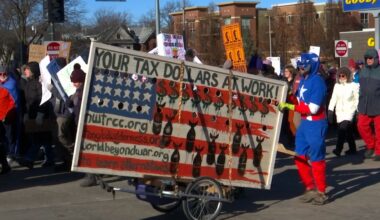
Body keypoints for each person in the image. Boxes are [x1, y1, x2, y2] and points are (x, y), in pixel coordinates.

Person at [279, 52, 328, 205]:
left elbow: (313, 108)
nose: (301, 68)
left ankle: (321, 191)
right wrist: (287, 97)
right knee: (299, 156)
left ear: (312, 65)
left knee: (317, 158)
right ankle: (310, 187)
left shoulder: (318, 82)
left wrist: (290, 105)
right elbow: (299, 99)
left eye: (304, 66)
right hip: (304, 124)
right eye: (299, 66)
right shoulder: (303, 81)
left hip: (316, 124)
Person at [18, 62, 55, 169]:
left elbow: (43, 99)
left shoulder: (39, 84)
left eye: (28, 69)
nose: (25, 71)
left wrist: (41, 114)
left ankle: (29, 159)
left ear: (33, 71)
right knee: (42, 139)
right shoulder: (28, 83)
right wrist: (26, 114)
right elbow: (27, 101)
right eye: (25, 70)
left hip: (40, 115)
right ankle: (49, 159)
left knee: (40, 138)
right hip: (31, 114)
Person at [69, 64, 97, 187]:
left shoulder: (85, 91)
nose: (74, 84)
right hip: (79, 122)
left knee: (87, 150)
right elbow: (72, 105)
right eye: (73, 81)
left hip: (85, 123)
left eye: (76, 81)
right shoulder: (78, 91)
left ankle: (91, 176)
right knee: (84, 150)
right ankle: (90, 174)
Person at [328, 67, 359, 157]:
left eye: (343, 75)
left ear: (348, 76)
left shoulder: (353, 85)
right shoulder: (337, 86)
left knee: (342, 130)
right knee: (348, 131)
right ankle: (352, 148)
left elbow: (357, 99)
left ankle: (338, 149)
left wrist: (357, 110)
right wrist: (330, 110)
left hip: (349, 111)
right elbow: (333, 98)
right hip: (339, 112)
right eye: (340, 75)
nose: (341, 77)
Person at [357, 49, 380, 161]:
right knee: (361, 126)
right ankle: (371, 145)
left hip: (377, 105)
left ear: (375, 59)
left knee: (379, 130)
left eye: (371, 58)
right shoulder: (363, 71)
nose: (369, 60)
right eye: (367, 58)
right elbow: (360, 88)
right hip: (364, 105)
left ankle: (379, 151)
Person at [0, 65, 21, 164]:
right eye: (1, 74)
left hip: (9, 115)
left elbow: (14, 102)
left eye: (5, 74)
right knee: (2, 137)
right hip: (1, 115)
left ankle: (11, 154)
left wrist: (7, 114)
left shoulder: (11, 84)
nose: (3, 75)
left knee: (10, 135)